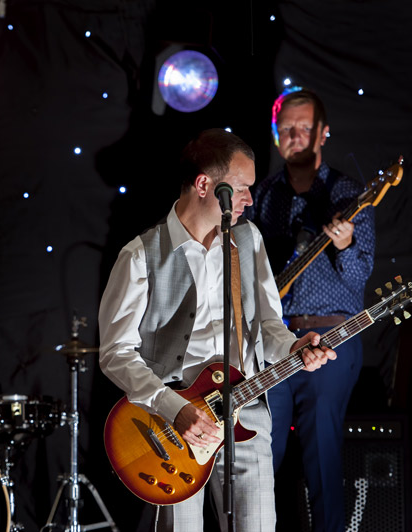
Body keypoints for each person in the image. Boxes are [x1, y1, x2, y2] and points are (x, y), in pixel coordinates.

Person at [98, 128, 336, 531]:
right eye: (242, 188)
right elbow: (115, 353)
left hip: (246, 414)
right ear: (205, 184)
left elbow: (265, 325)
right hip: (173, 427)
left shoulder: (248, 239)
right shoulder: (140, 255)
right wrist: (176, 408)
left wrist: (295, 347)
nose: (249, 199)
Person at [247, 88, 374, 532]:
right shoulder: (261, 196)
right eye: (287, 130)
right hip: (275, 341)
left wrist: (347, 244)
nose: (295, 137)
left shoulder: (349, 194)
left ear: (323, 133)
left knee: (321, 458)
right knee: (260, 456)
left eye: (304, 128)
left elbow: (359, 279)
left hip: (333, 339)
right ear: (276, 136)